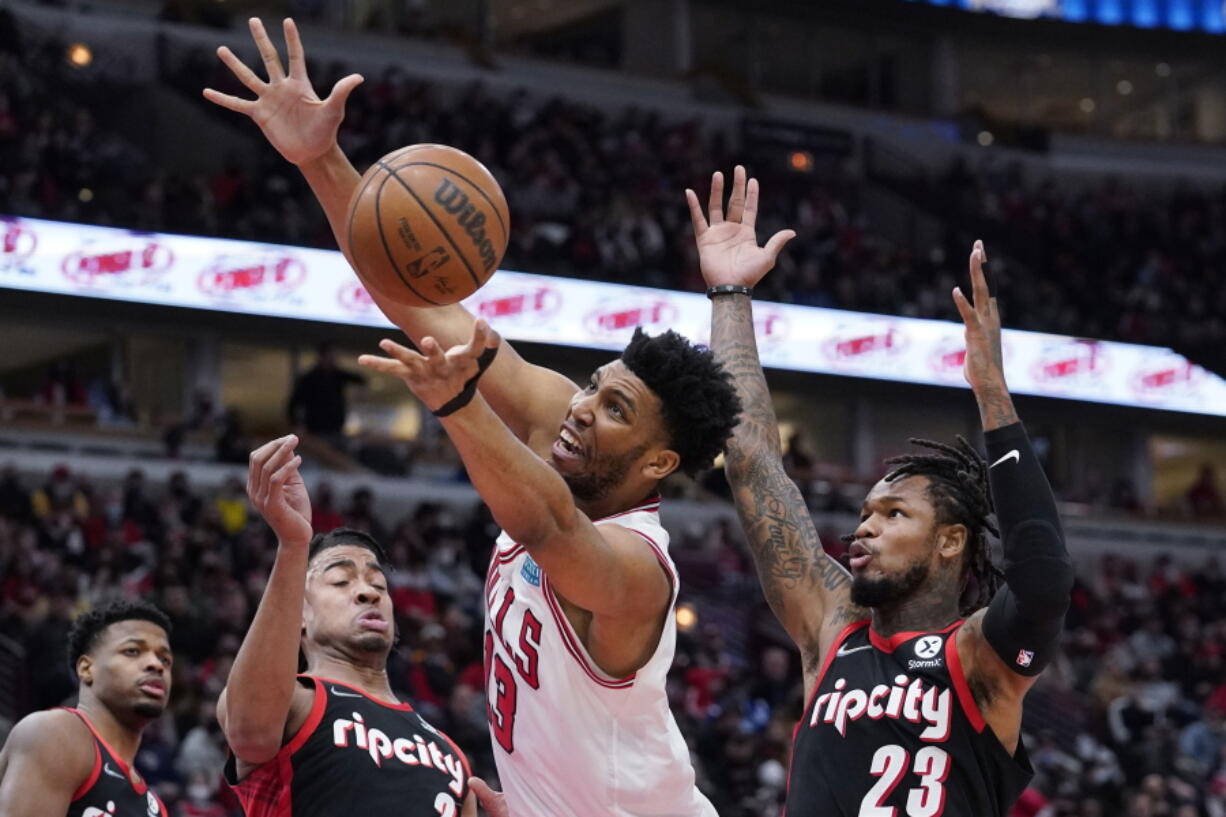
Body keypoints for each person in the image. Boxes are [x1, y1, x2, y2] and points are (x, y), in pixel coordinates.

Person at [206, 19, 742, 815]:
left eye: (615, 409)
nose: (583, 407)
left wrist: (458, 405)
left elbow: (551, 528)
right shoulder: (561, 417)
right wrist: (319, 158)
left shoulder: (639, 570)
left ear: (658, 463)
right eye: (595, 384)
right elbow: (422, 300)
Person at [691, 167, 1073, 816]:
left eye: (894, 513)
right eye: (866, 511)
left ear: (951, 540)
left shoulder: (979, 658)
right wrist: (729, 293)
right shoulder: (832, 624)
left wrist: (994, 400)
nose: (863, 527)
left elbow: (1042, 579)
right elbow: (753, 462)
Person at [219, 435, 490, 816]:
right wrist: (294, 547)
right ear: (299, 613)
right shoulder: (293, 702)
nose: (368, 592)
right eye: (341, 581)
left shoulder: (450, 752)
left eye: (378, 584)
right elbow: (249, 732)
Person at [0, 599, 174, 817]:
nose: (156, 665)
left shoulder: (155, 806)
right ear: (86, 669)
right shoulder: (55, 733)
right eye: (132, 651)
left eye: (165, 659)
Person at [286, 341, 366, 449]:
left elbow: (360, 379)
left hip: (336, 428)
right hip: (316, 429)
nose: (334, 359)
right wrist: (296, 424)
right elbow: (293, 404)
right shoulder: (309, 379)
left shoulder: (337, 375)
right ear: (322, 357)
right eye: (331, 356)